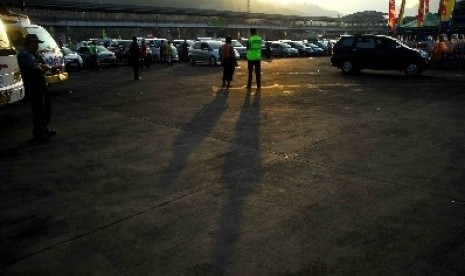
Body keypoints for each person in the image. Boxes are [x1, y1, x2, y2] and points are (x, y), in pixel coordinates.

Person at [17, 34, 55, 143]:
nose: (38, 45)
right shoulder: (24, 55)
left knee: (47, 107)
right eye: (36, 43)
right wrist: (41, 67)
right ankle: (38, 133)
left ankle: (44, 128)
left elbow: (45, 65)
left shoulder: (35, 54)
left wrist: (41, 66)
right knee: (38, 109)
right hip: (33, 86)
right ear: (30, 43)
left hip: (42, 84)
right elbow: (37, 68)